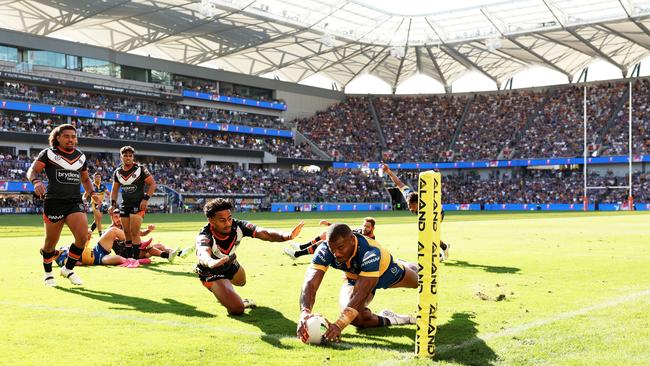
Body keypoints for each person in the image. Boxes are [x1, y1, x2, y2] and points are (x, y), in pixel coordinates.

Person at [297, 223, 417, 343]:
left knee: (419, 281)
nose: (336, 254)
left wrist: (339, 325)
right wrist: (304, 313)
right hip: (353, 279)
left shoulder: (370, 252)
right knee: (356, 319)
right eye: (332, 249)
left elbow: (361, 293)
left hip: (386, 273)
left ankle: (406, 265)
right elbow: (310, 282)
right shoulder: (325, 249)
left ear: (352, 240)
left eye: (340, 248)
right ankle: (393, 319)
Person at [195, 198, 304, 315]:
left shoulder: (239, 226)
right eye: (222, 220)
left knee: (242, 282)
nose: (227, 223)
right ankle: (222, 290)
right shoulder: (205, 235)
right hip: (211, 271)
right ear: (211, 221)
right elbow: (202, 252)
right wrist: (211, 262)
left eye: (229, 218)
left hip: (229, 262)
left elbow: (264, 233)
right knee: (237, 309)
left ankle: (225, 291)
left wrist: (287, 236)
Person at [27, 124, 98, 286]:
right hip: (54, 202)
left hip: (74, 201)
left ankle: (67, 269)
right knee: (50, 242)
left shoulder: (81, 156)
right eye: (66, 136)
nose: (70, 139)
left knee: (82, 237)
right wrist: (36, 181)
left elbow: (85, 179)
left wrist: (93, 193)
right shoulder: (48, 153)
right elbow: (32, 170)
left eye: (73, 137)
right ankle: (48, 273)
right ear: (58, 138)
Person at [382, 163, 450, 260]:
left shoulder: (427, 203)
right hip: (425, 215)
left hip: (437, 212)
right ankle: (443, 247)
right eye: (409, 206)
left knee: (429, 233)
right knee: (427, 233)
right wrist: (388, 172)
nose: (410, 209)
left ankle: (438, 253)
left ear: (419, 203)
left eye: (412, 206)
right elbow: (399, 183)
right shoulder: (408, 195)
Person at [109, 146, 156, 259]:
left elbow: (153, 184)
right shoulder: (118, 172)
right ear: (121, 157)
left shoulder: (140, 169)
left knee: (135, 233)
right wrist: (113, 204)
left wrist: (145, 199)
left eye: (130, 155)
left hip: (138, 204)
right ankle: (129, 259)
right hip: (125, 205)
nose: (128, 158)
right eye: (125, 155)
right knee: (127, 234)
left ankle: (136, 259)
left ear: (133, 157)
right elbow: (114, 190)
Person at [106, 209, 190, 262]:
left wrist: (149, 230)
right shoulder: (111, 230)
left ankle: (180, 253)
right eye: (115, 217)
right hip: (125, 254)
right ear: (112, 218)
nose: (118, 219)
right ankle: (168, 256)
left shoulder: (126, 226)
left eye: (120, 217)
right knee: (149, 247)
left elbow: (141, 233)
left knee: (159, 245)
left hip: (135, 250)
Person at [283, 217, 376, 260]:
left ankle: (297, 254)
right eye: (364, 225)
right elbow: (344, 230)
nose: (364, 228)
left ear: (372, 228)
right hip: (344, 245)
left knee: (324, 242)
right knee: (326, 233)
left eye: (367, 227)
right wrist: (328, 224)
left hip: (346, 254)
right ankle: (301, 247)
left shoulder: (370, 240)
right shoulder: (360, 230)